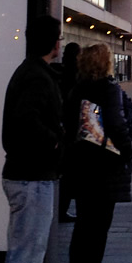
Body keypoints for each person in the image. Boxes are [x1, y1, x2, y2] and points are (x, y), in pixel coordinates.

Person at [1, 14, 64, 263]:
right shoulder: (36, 77)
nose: (60, 43)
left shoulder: (30, 72)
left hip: (28, 176)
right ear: (51, 42)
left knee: (25, 258)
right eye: (58, 37)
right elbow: (27, 122)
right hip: (31, 177)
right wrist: (54, 141)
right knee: (24, 262)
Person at [62, 43, 132, 263]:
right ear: (106, 63)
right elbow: (116, 123)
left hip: (80, 165)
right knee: (98, 229)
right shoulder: (108, 89)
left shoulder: (77, 89)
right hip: (104, 167)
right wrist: (126, 150)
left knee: (83, 226)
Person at [56, 42, 81, 223]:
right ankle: (62, 210)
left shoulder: (59, 71)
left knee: (64, 174)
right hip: (71, 131)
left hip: (62, 128)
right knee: (69, 176)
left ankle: (60, 208)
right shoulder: (76, 76)